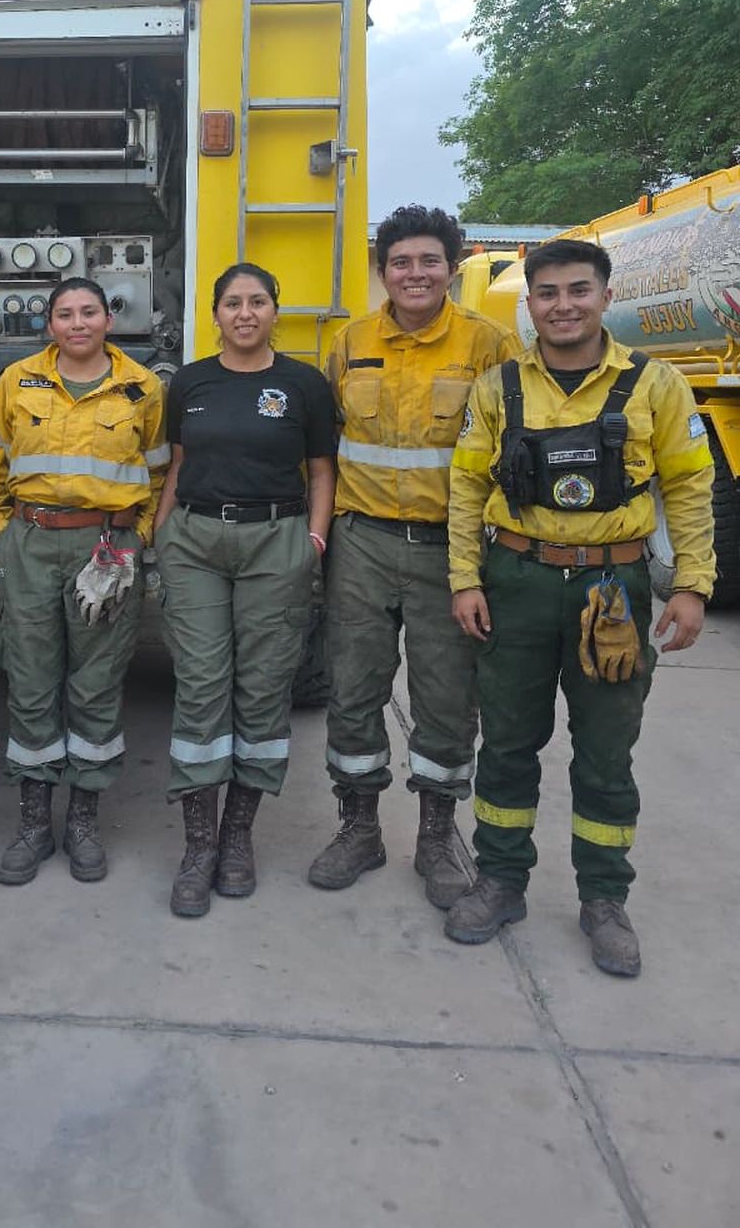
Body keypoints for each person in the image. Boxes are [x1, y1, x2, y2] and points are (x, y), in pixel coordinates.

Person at [445, 239, 715, 976]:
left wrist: (692, 585)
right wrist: (466, 578)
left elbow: (690, 487)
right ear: (529, 304)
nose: (563, 306)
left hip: (612, 590)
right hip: (517, 580)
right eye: (548, 293)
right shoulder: (498, 388)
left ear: (604, 296)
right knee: (507, 743)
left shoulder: (656, 385)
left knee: (605, 753)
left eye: (578, 290)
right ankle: (501, 880)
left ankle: (603, 898)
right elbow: (466, 488)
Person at [307, 206, 518, 909]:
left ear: (452, 268)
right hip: (361, 545)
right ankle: (359, 828)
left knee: (447, 698)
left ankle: (436, 836)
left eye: (429, 261)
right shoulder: (351, 342)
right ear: (383, 271)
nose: (415, 274)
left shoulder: (488, 345)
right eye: (401, 262)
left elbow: (514, 448)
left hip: (449, 552)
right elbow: (323, 445)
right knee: (352, 688)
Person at [154, 263, 336, 918]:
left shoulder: (303, 385)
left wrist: (313, 543)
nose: (245, 313)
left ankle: (237, 839)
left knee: (262, 690)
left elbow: (322, 471)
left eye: (258, 301)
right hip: (196, 543)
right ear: (215, 314)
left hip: (275, 543)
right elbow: (178, 464)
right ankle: (198, 846)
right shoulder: (191, 382)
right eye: (232, 303)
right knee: (202, 685)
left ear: (274, 311)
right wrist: (161, 535)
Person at [0, 278, 168, 884]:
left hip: (105, 547)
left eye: (89, 312)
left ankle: (83, 820)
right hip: (30, 542)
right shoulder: (17, 381)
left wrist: (137, 539)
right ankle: (34, 822)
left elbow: (158, 474)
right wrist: (0, 536)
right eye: (65, 313)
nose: (78, 323)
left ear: (109, 320)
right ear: (49, 324)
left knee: (97, 682)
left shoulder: (142, 387)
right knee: (30, 679)